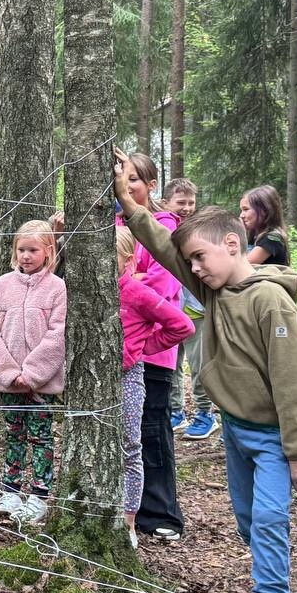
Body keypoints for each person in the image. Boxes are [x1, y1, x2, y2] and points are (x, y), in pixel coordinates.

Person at [117, 152, 297, 593]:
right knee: (250, 523)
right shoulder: (215, 284)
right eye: (194, 262)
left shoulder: (271, 301)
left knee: (269, 521)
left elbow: (292, 379)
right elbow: (166, 248)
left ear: (232, 244)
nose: (196, 269)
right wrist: (130, 203)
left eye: (201, 258)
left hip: (274, 438)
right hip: (236, 431)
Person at [117, 152, 185, 542]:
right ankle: (128, 506)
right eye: (122, 180)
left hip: (153, 349)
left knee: (152, 428)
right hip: (118, 352)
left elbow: (162, 283)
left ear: (151, 185)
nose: (126, 188)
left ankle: (162, 512)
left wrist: (136, 278)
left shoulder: (165, 226)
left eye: (134, 181)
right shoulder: (112, 225)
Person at [0, 220, 67, 525]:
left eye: (33, 250)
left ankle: (39, 496)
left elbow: (57, 334)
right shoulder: (1, 286)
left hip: (41, 383)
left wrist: (32, 374)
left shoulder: (57, 288)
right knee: (14, 434)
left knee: (41, 437)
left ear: (48, 251)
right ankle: (11, 493)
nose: (26, 256)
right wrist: (8, 371)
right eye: (21, 250)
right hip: (9, 382)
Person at [163, 179, 215, 440]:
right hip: (171, 310)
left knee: (199, 364)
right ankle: (176, 410)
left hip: (196, 309)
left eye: (190, 202)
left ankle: (206, 413)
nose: (186, 207)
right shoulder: (163, 229)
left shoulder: (199, 231)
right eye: (180, 202)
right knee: (172, 365)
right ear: (166, 203)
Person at [239, 185, 291, 267]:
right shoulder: (254, 235)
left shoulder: (272, 238)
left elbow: (243, 266)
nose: (241, 215)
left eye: (246, 209)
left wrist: (239, 233)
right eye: (241, 210)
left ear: (265, 210)